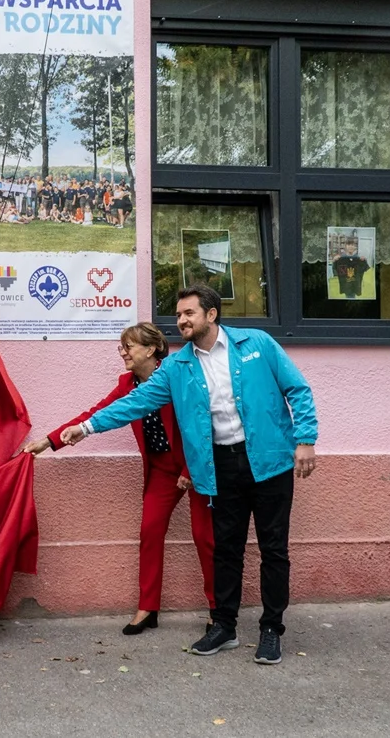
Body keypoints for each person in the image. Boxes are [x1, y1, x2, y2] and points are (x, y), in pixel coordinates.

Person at [61, 285, 317, 665]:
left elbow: (297, 389)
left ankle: (270, 630)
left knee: (273, 550)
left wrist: (305, 439)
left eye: (188, 314)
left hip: (270, 462)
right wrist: (86, 428)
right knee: (226, 550)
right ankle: (224, 626)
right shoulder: (178, 367)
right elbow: (135, 402)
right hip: (220, 465)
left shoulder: (257, 344)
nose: (180, 321)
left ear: (211, 315)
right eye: (179, 315)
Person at [23, 324, 214, 635]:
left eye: (129, 347)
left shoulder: (179, 373)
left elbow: (201, 421)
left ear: (151, 350)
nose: (123, 353)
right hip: (162, 470)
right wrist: (50, 440)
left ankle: (217, 610)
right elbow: (98, 412)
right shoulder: (127, 383)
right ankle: (148, 608)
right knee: (149, 533)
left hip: (195, 467)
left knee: (205, 538)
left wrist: (191, 472)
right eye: (121, 348)